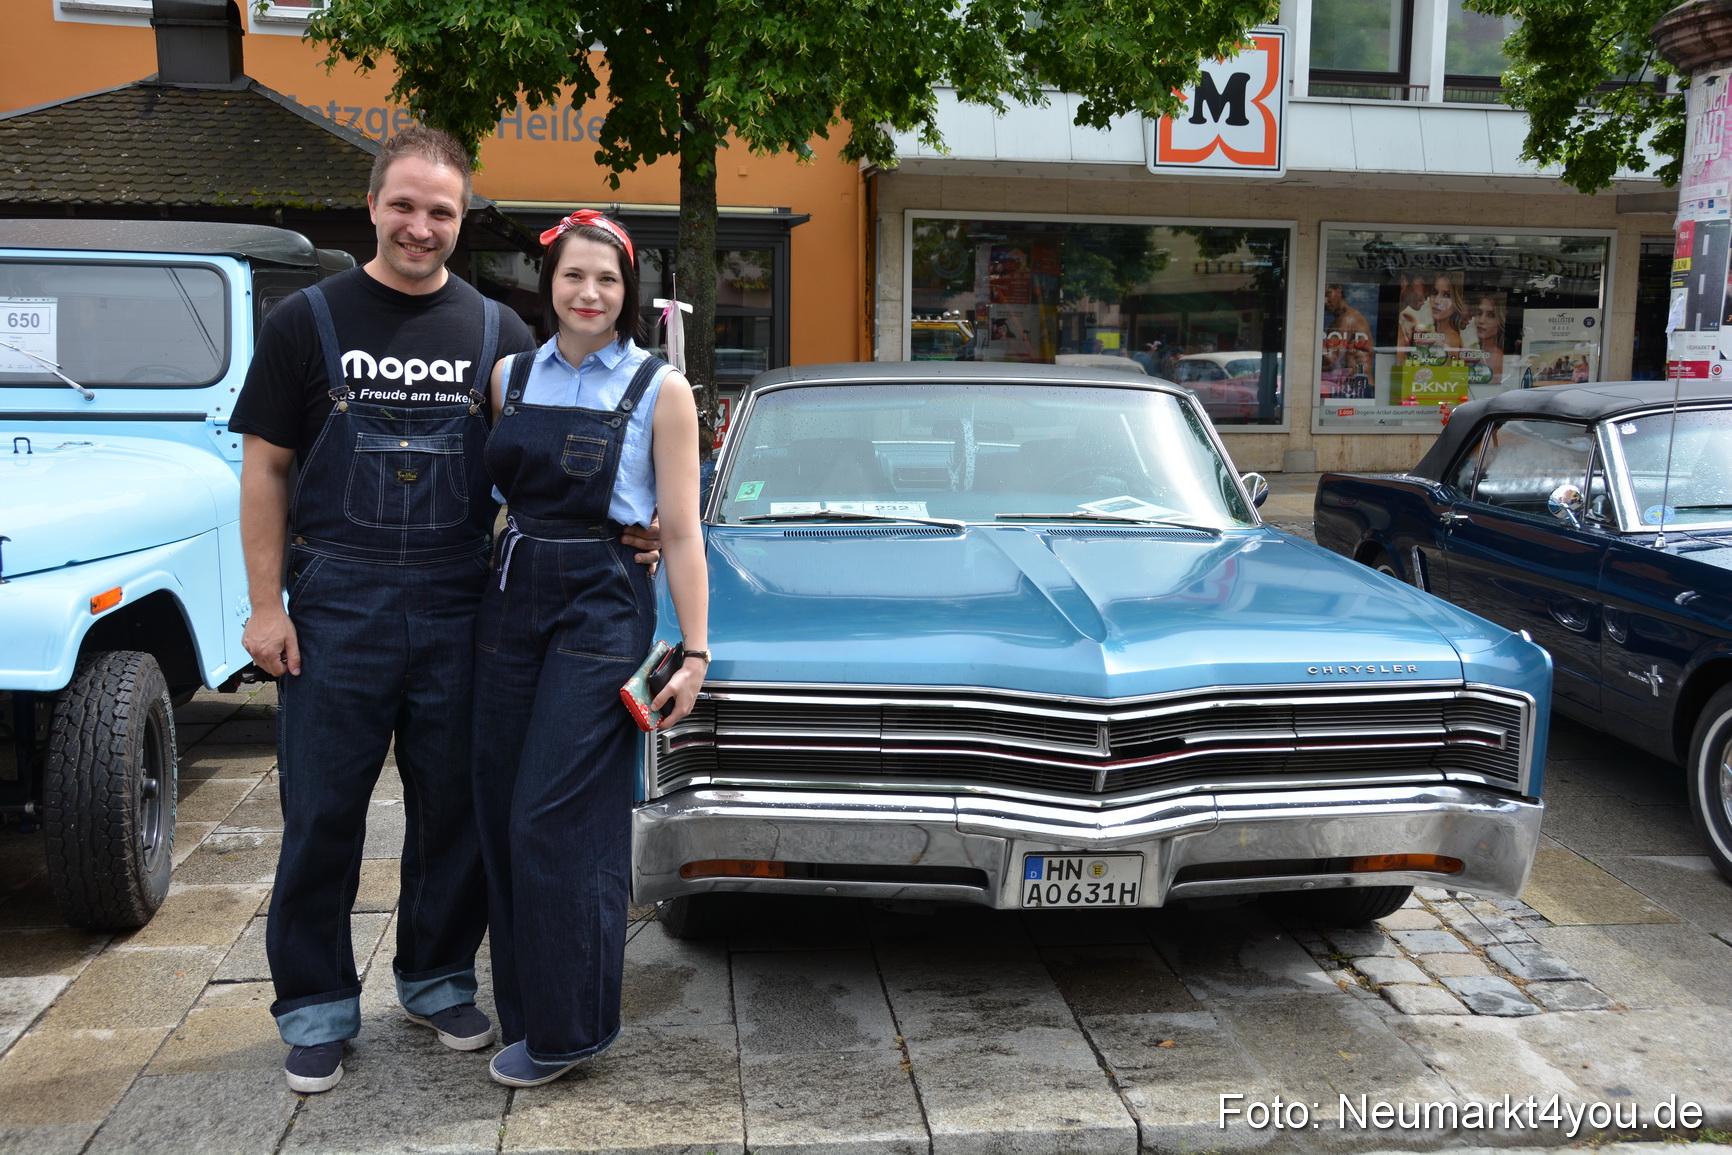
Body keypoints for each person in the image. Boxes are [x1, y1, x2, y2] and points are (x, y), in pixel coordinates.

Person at [232, 127, 652, 1094]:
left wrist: (644, 520)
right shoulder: (304, 320)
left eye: (442, 211)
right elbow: (264, 470)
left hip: (467, 601)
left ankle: (435, 977)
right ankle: (315, 1004)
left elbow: (555, 464)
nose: (420, 226)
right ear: (373, 205)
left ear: (462, 221)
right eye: (405, 205)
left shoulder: (499, 333)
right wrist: (265, 606)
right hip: (334, 602)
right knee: (321, 811)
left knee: (455, 808)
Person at [469, 210, 708, 1087]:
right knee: (501, 805)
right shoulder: (510, 375)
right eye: (574, 274)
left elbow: (680, 532)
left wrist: (694, 653)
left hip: (602, 605)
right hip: (510, 594)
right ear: (549, 283)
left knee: (555, 814)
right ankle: (527, 1010)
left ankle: (571, 1030)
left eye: (607, 278)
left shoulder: (660, 388)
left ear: (628, 291)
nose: (589, 292)